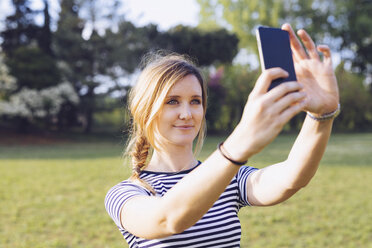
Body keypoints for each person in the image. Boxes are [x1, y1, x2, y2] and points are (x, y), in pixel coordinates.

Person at [105, 23, 340, 247]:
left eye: (195, 101)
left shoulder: (230, 177)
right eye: (172, 101)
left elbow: (292, 178)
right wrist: (238, 143)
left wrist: (322, 116)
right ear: (145, 111)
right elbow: (166, 219)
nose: (186, 114)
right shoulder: (125, 193)